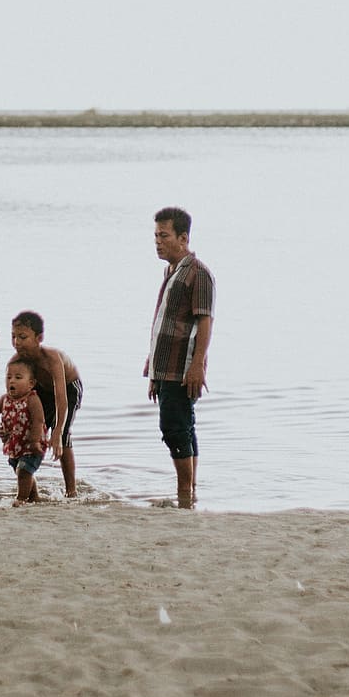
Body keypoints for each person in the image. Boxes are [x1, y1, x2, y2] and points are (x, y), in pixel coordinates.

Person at [144, 206, 215, 509]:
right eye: (156, 235)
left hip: (183, 367)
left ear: (183, 237)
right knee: (184, 426)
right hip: (165, 367)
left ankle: (184, 493)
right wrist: (153, 371)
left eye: (164, 235)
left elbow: (204, 321)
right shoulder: (171, 272)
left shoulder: (198, 274)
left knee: (174, 427)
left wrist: (197, 365)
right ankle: (190, 491)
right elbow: (162, 322)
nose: (158, 241)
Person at [9, 311, 83, 499]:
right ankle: (31, 490)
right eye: (14, 337)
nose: (17, 342)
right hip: (41, 390)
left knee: (63, 435)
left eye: (23, 337)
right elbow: (14, 394)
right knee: (25, 434)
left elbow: (61, 398)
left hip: (68, 388)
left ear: (38, 338)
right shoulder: (17, 361)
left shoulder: (51, 358)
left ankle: (71, 491)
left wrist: (57, 432)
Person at [0, 355, 48, 505]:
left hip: (32, 444)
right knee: (21, 470)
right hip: (15, 444)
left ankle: (21, 499)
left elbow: (39, 420)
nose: (12, 381)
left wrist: (35, 441)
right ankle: (34, 497)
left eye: (18, 377)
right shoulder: (5, 399)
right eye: (9, 377)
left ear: (31, 383)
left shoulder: (32, 399)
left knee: (24, 471)